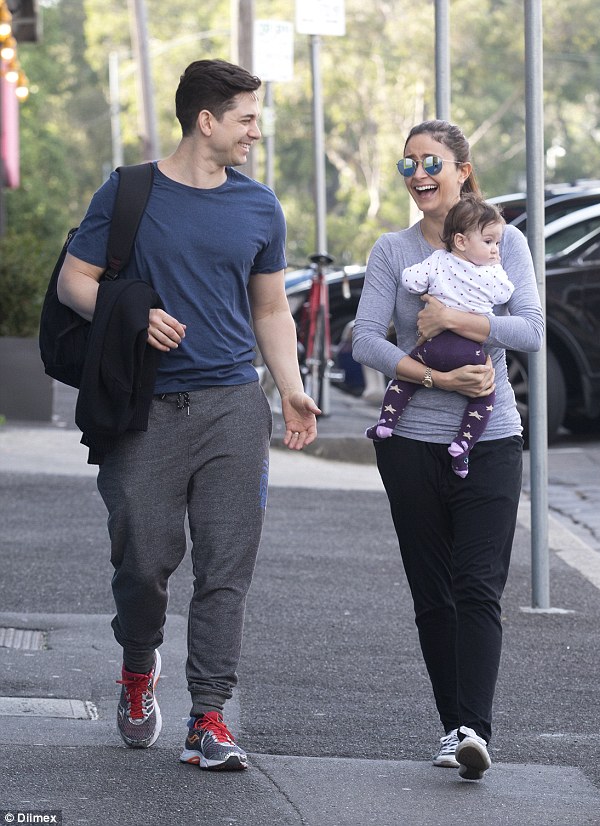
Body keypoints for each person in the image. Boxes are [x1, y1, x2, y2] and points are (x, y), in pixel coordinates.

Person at [57, 59, 320, 771]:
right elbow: (74, 281)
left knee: (226, 566)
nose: (255, 133)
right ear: (206, 121)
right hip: (144, 407)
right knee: (142, 559)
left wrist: (289, 386)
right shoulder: (130, 192)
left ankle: (210, 716)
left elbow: (270, 309)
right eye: (246, 119)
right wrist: (133, 315)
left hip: (235, 404)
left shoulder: (260, 206)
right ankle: (139, 662)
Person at [352, 120, 543, 780]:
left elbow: (530, 330)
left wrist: (453, 321)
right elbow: (366, 341)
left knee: (478, 587)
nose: (418, 175)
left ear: (463, 168)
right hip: (409, 446)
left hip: (491, 442)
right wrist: (433, 376)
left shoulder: (504, 240)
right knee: (434, 593)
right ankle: (451, 726)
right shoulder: (392, 251)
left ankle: (474, 730)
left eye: (431, 161)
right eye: (407, 165)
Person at [366, 194, 514, 479]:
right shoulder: (492, 272)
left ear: (463, 171)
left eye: (496, 243)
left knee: (404, 380)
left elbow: (411, 280)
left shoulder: (437, 260)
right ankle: (463, 445)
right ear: (460, 240)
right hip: (471, 355)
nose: (496, 249)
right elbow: (505, 294)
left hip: (431, 348)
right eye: (489, 243)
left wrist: (445, 315)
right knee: (484, 396)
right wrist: (495, 271)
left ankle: (386, 422)